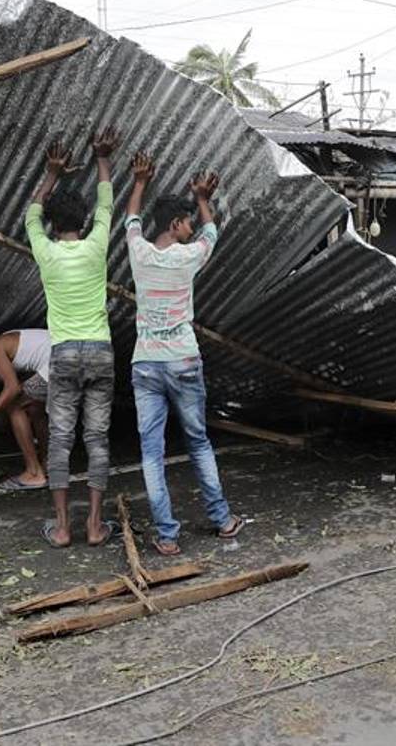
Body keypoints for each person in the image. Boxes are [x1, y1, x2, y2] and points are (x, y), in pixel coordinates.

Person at [124, 152, 244, 556]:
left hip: (145, 363)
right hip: (184, 360)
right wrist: (203, 197)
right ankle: (222, 519)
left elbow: (131, 221)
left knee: (151, 452)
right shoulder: (188, 256)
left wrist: (140, 181)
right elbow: (212, 233)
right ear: (176, 224)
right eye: (187, 221)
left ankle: (167, 536)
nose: (192, 228)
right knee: (198, 442)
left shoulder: (138, 253)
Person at [25, 126, 119, 548]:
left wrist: (51, 173)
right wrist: (101, 157)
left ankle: (62, 528)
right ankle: (96, 527)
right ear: (82, 222)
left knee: (60, 440)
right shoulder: (97, 244)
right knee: (96, 440)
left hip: (63, 353)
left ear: (52, 224)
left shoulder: (44, 250)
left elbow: (30, 212)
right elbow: (106, 201)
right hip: (100, 350)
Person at [0, 328, 51, 490]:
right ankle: (49, 463)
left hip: (61, 362)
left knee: (14, 406)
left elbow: (13, 388)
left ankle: (34, 473)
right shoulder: (9, 338)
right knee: (34, 407)